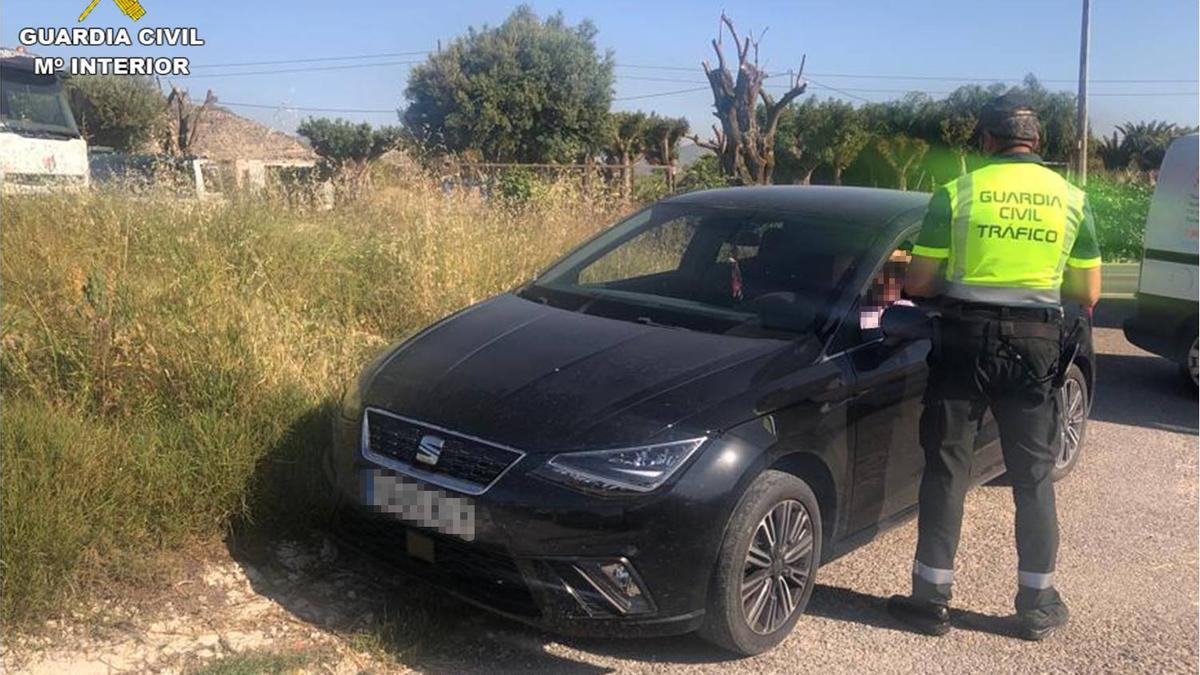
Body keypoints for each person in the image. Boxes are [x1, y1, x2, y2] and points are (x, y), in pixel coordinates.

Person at [886, 92, 1102, 641]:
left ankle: (929, 602)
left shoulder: (957, 193)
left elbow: (918, 283)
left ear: (985, 141)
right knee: (1032, 479)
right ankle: (1037, 605)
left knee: (947, 471)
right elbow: (1088, 291)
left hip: (963, 342)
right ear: (1036, 143)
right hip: (1035, 350)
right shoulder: (1072, 198)